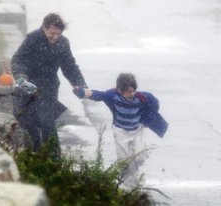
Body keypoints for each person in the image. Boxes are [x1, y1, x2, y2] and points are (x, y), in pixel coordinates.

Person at [11, 13, 88, 155]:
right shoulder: (32, 39)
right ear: (44, 28)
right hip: (28, 87)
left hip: (48, 88)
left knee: (47, 124)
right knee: (29, 125)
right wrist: (21, 77)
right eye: (52, 33)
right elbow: (18, 60)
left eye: (59, 34)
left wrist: (80, 84)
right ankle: (33, 158)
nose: (55, 37)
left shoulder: (63, 43)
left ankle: (53, 162)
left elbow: (69, 66)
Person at [74, 73, 168, 188]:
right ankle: (130, 186)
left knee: (140, 155)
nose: (131, 94)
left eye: (133, 91)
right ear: (119, 90)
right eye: (128, 92)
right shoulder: (113, 95)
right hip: (121, 131)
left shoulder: (142, 97)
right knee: (124, 160)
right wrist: (84, 93)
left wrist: (147, 119)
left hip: (137, 130)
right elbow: (98, 95)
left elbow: (154, 104)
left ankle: (133, 172)